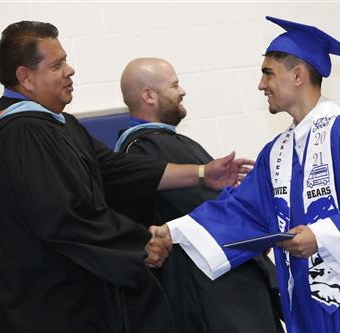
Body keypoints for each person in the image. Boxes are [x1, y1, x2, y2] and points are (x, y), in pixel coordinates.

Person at [0, 21, 250, 333]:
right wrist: (139, 244)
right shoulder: (23, 134)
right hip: (40, 309)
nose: (70, 70)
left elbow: (118, 170)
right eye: (57, 65)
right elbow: (63, 218)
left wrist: (202, 174)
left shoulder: (59, 125)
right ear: (25, 77)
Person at [151, 16, 340, 333]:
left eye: (268, 73)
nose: (261, 85)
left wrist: (320, 237)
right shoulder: (276, 153)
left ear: (297, 75)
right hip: (308, 310)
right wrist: (173, 231)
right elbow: (242, 211)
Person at [114, 57, 284, 333]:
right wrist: (253, 205)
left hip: (223, 293)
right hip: (215, 299)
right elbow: (210, 212)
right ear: (148, 95)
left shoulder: (163, 146)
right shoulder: (146, 148)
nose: (182, 91)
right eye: (174, 85)